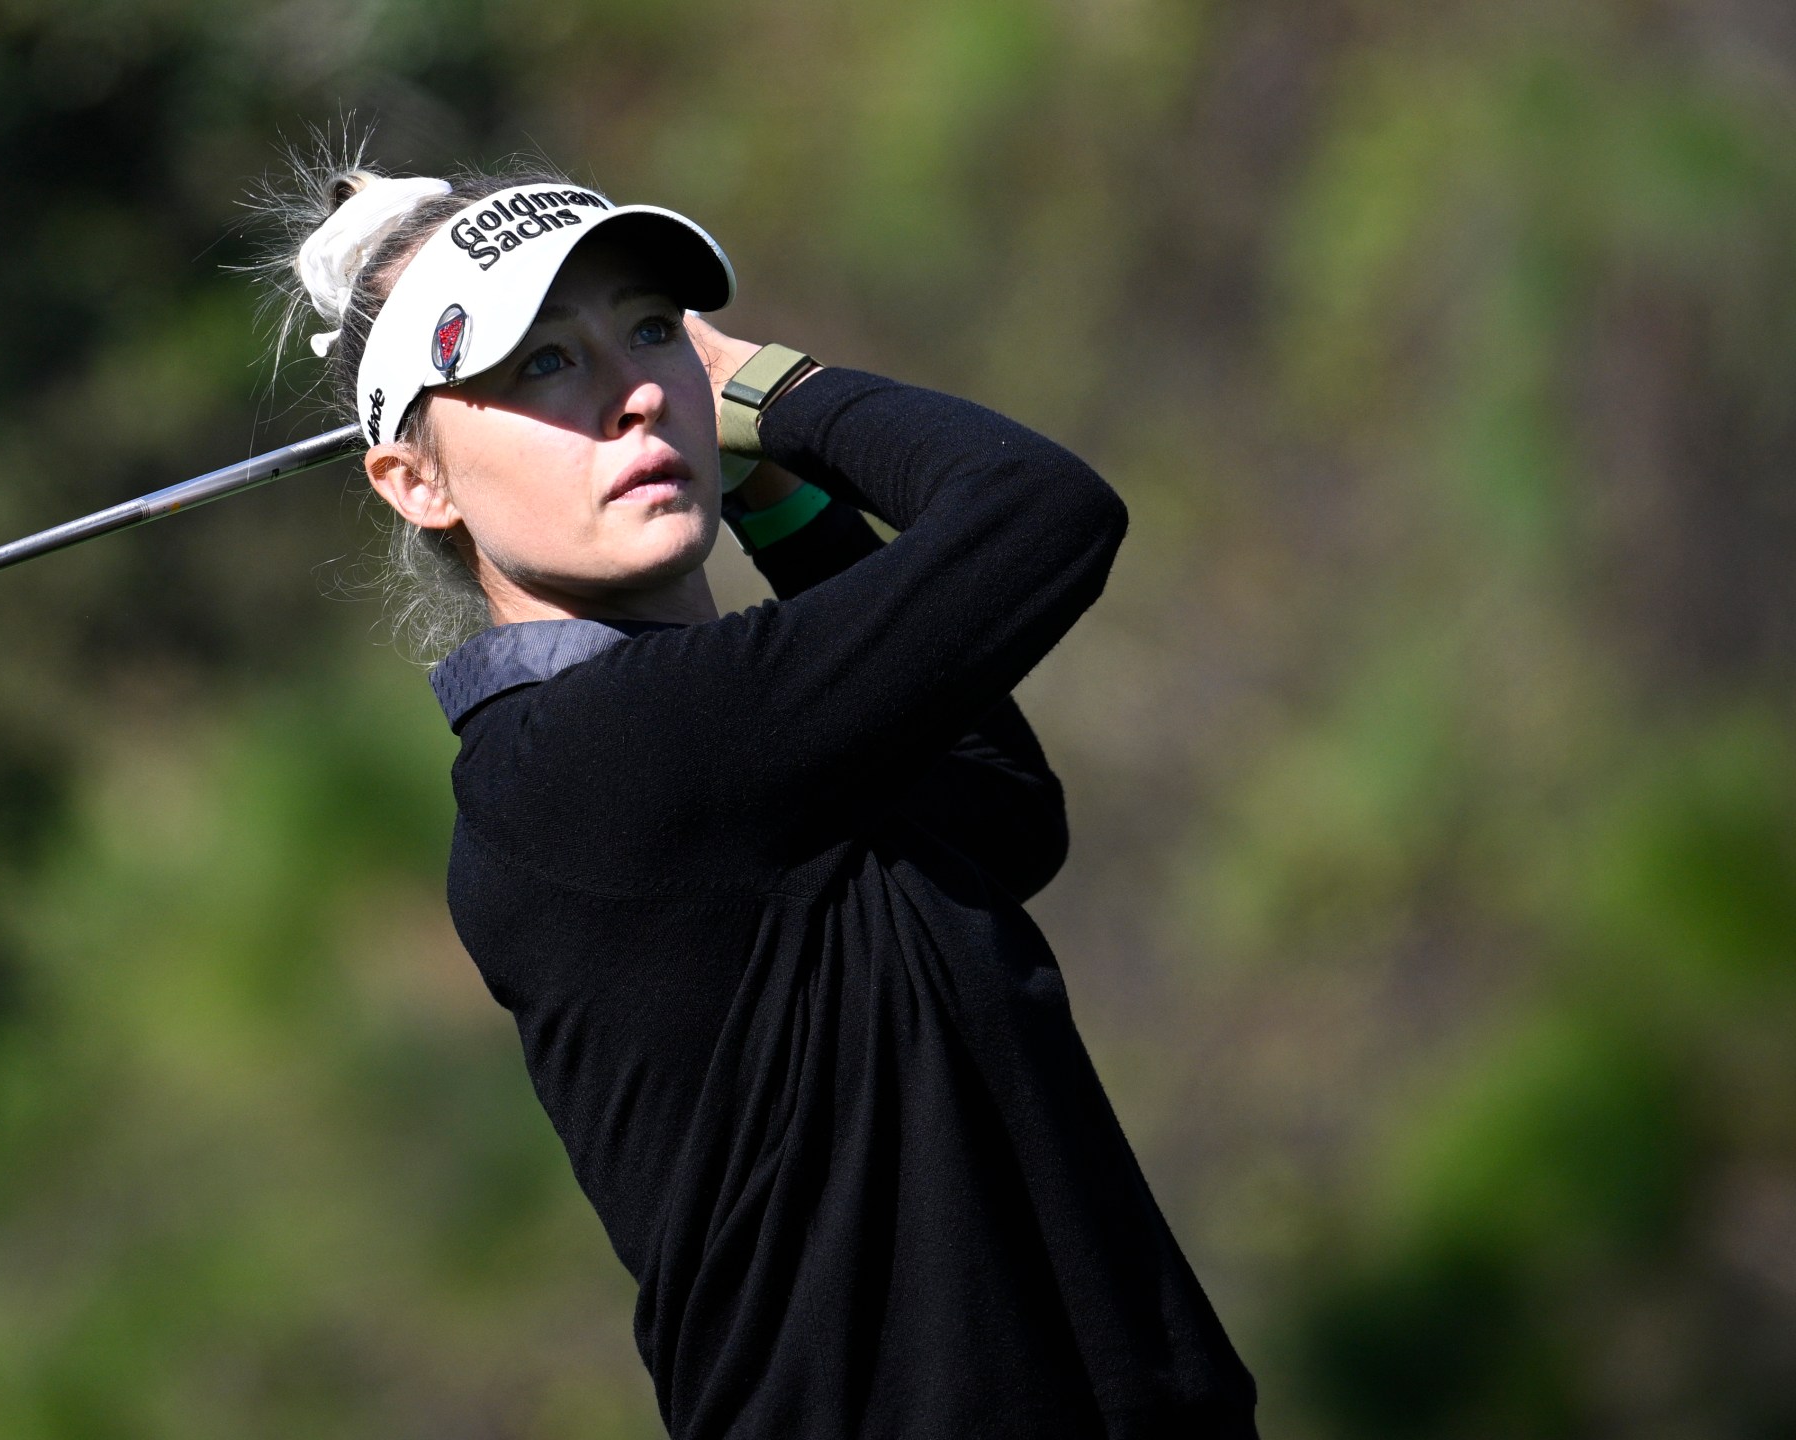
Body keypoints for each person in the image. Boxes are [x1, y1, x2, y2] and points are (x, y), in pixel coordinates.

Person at [257, 155, 1258, 1439]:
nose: (636, 395)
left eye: (653, 331)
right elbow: (1041, 512)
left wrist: (773, 491)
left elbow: (999, 816)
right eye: (544, 364)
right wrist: (766, 390)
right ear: (418, 481)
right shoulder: (593, 760)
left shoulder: (740, 742)